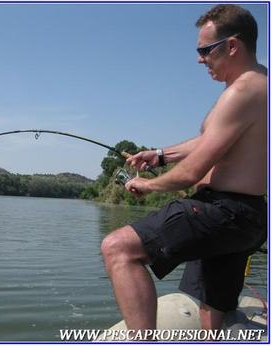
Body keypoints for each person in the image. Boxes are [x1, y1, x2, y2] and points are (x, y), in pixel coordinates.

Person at [101, 4, 267, 332]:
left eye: (205, 50)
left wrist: (148, 184)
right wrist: (160, 155)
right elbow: (209, 141)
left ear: (232, 46)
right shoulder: (258, 85)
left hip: (223, 211)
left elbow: (192, 173)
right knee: (212, 306)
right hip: (247, 216)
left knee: (117, 248)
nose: (199, 59)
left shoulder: (243, 92)